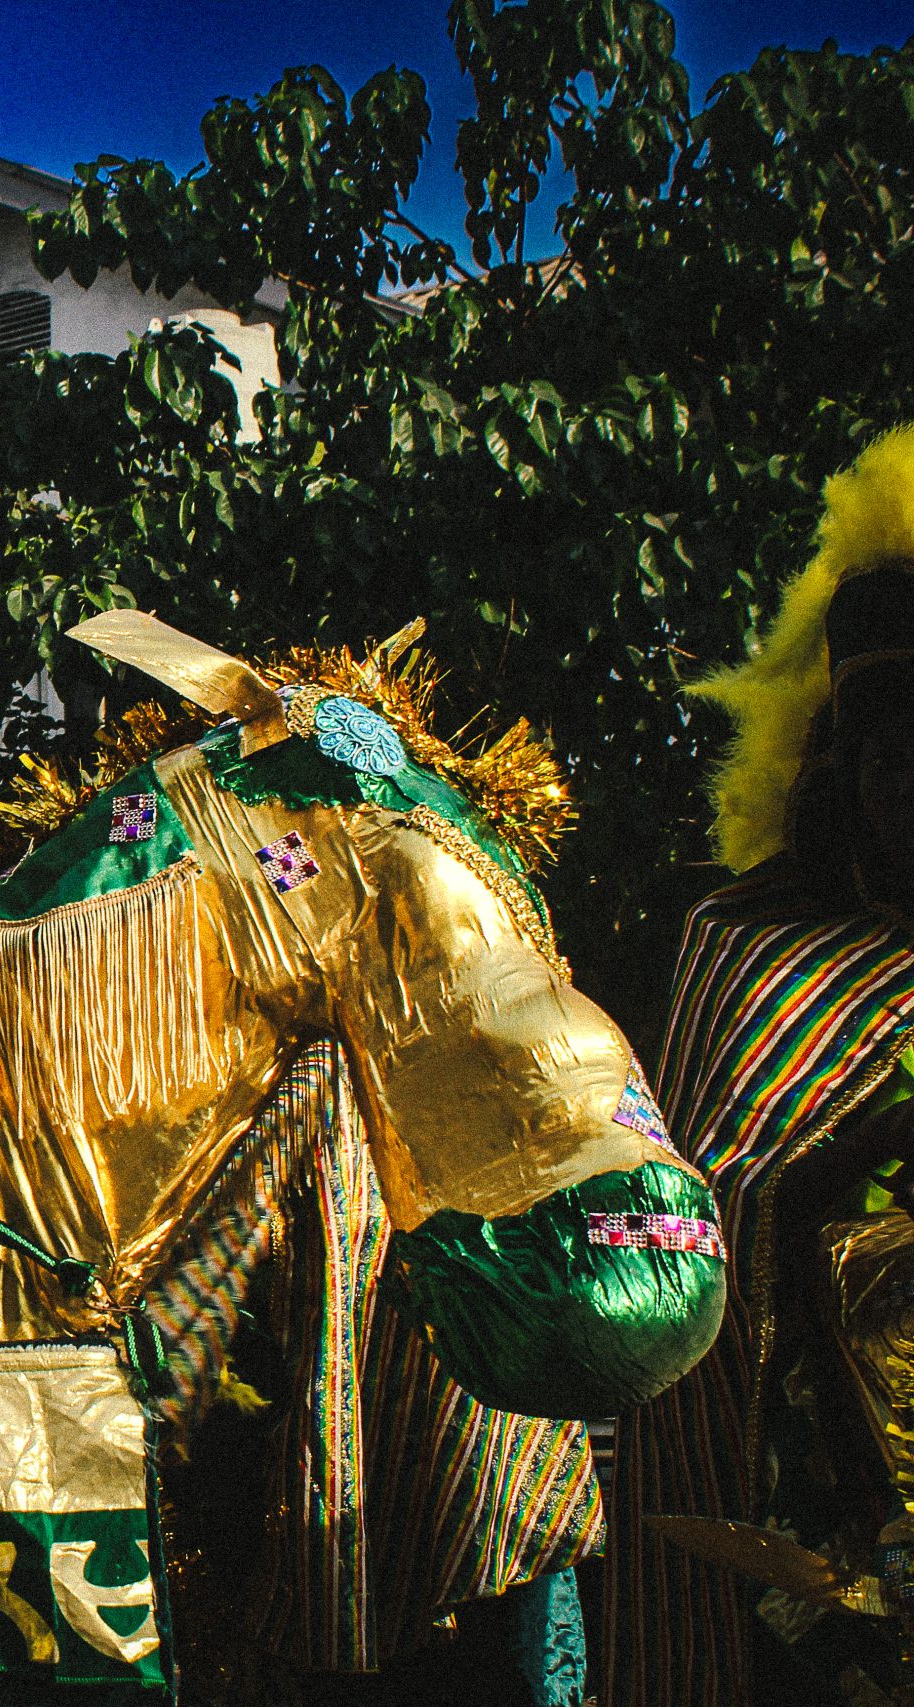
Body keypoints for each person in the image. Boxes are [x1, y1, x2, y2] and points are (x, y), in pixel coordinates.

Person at [599, 426, 914, 1705]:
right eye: (901, 761)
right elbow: (675, 1221)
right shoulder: (746, 945)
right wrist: (862, 1155)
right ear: (840, 770)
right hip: (813, 1520)